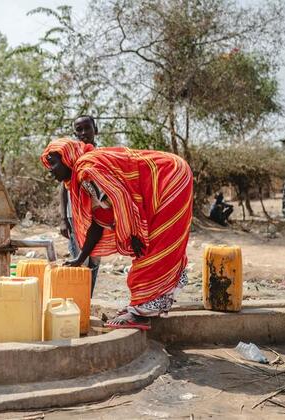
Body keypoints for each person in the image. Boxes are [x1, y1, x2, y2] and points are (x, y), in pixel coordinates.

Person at [42, 139, 193, 330]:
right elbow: (99, 220)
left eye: (53, 162)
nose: (50, 169)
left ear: (67, 158)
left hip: (168, 177)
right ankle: (143, 307)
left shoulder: (86, 170)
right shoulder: (85, 176)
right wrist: (80, 258)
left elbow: (120, 196)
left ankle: (140, 313)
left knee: (155, 248)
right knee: (152, 248)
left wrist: (133, 231)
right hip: (165, 177)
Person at [59, 115, 101, 297]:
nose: (83, 133)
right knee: (80, 262)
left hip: (98, 217)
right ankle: (78, 304)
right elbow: (62, 187)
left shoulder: (102, 155)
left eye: (87, 128)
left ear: (95, 129)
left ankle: (86, 303)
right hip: (74, 217)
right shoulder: (71, 157)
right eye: (79, 129)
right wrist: (63, 219)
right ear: (75, 133)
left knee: (94, 261)